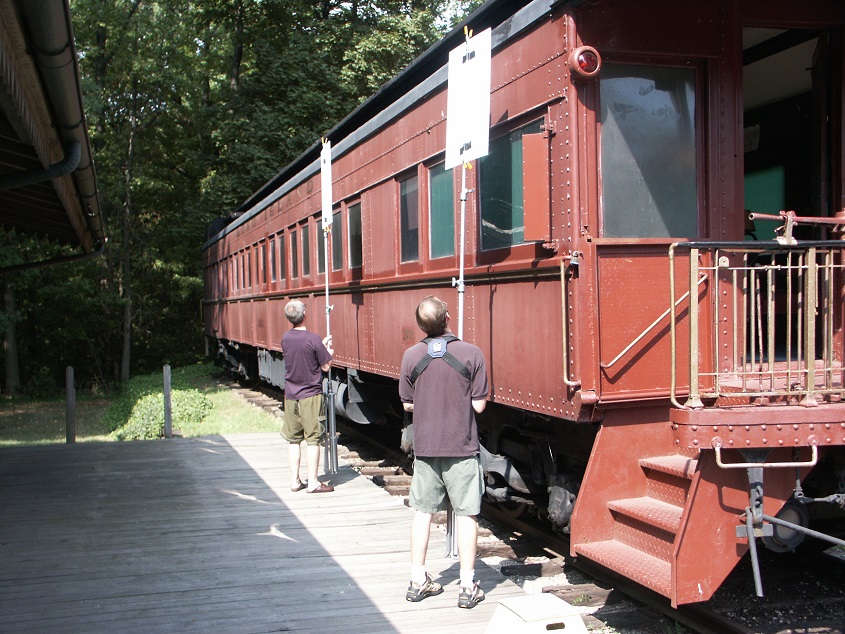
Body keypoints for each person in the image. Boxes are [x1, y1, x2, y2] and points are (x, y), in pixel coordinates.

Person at [399, 295, 489, 609]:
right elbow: (478, 404)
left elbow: (408, 404)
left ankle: (417, 579)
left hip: (425, 448)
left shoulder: (411, 356)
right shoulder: (472, 353)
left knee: (422, 512)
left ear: (420, 325)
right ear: (448, 317)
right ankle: (466, 586)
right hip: (461, 446)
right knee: (467, 514)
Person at [280, 299, 335, 494]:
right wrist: (328, 352)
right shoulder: (313, 339)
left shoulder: (285, 338)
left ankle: (295, 481)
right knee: (313, 440)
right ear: (305, 315)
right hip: (310, 395)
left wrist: (320, 345)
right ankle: (312, 482)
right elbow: (325, 366)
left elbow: (301, 353)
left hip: (290, 395)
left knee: (293, 440)